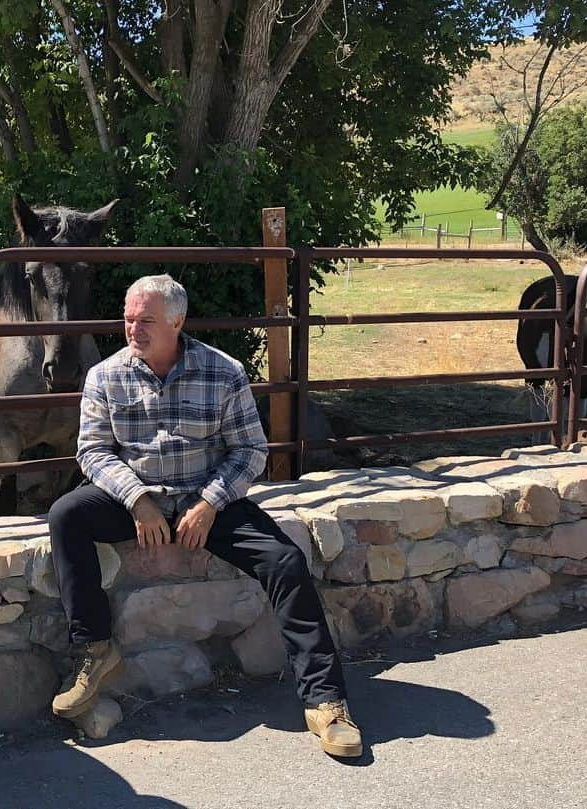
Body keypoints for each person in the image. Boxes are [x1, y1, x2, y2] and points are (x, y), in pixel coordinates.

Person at [47, 274, 362, 758]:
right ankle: (95, 650)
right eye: (128, 319)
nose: (133, 329)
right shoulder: (104, 376)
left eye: (146, 320)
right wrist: (136, 499)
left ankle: (325, 701)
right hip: (139, 502)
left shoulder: (223, 371)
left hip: (207, 501)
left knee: (284, 562)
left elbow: (250, 452)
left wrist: (210, 503)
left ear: (177, 321)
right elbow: (92, 452)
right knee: (67, 514)